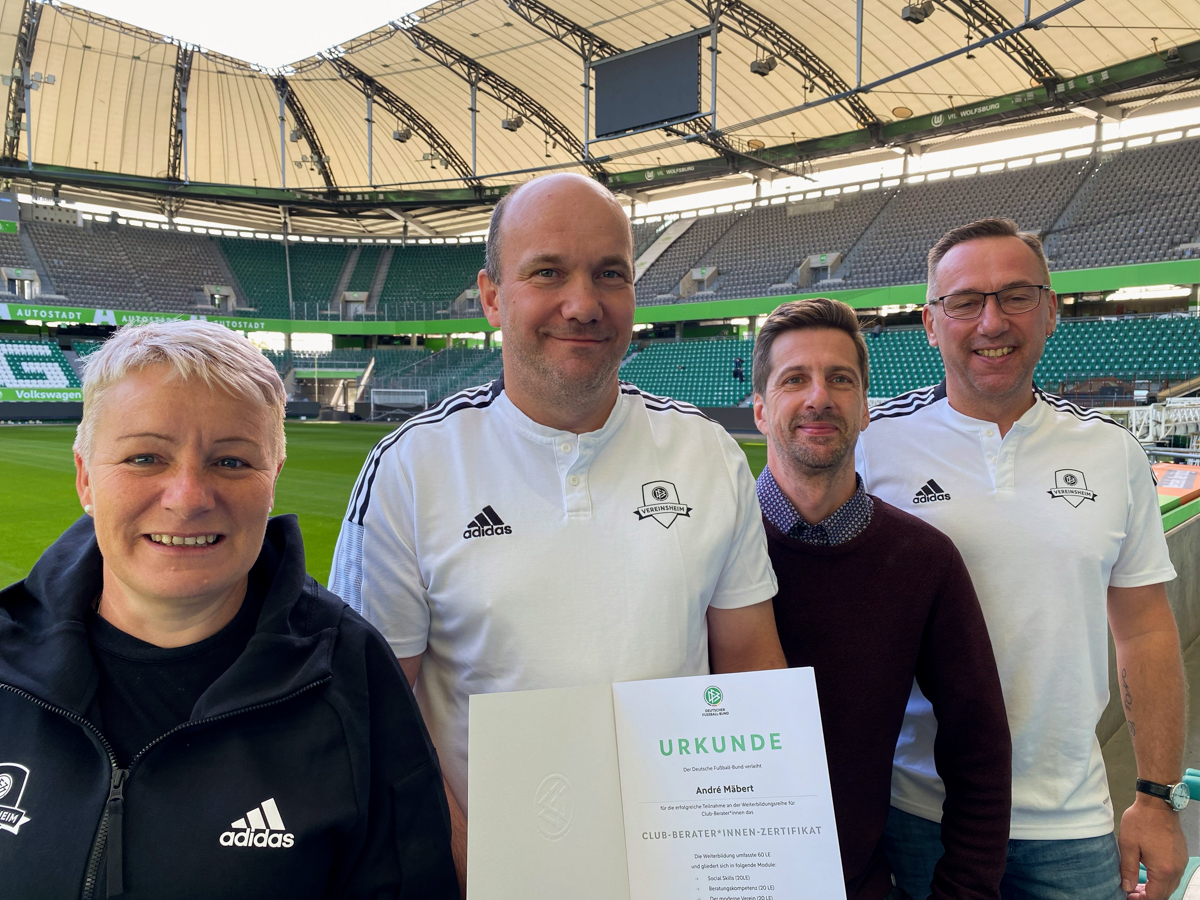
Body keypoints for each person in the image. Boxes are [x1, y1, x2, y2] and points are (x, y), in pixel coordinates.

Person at [330, 172, 786, 888]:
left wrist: (756, 856)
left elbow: (751, 667)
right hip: (493, 873)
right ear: (491, 297)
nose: (584, 304)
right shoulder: (410, 470)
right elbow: (377, 714)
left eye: (610, 274)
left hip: (680, 869)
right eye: (549, 272)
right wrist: (470, 861)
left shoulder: (707, 454)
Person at [0, 321, 458, 900]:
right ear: (86, 478)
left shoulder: (353, 676)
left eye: (233, 463)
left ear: (273, 480)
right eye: (145, 457)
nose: (189, 497)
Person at [857, 218, 1187, 900]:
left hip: (1072, 820)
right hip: (921, 812)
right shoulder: (872, 447)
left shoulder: (1112, 454)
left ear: (1051, 310)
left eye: (1014, 295)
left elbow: (1146, 629)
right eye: (965, 301)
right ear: (929, 320)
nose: (990, 321)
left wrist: (1155, 797)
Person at [752, 298, 1011, 900]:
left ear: (866, 408)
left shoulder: (923, 559)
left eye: (840, 379)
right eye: (795, 379)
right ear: (761, 410)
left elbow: (978, 743)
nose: (820, 397)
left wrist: (964, 890)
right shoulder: (701, 548)